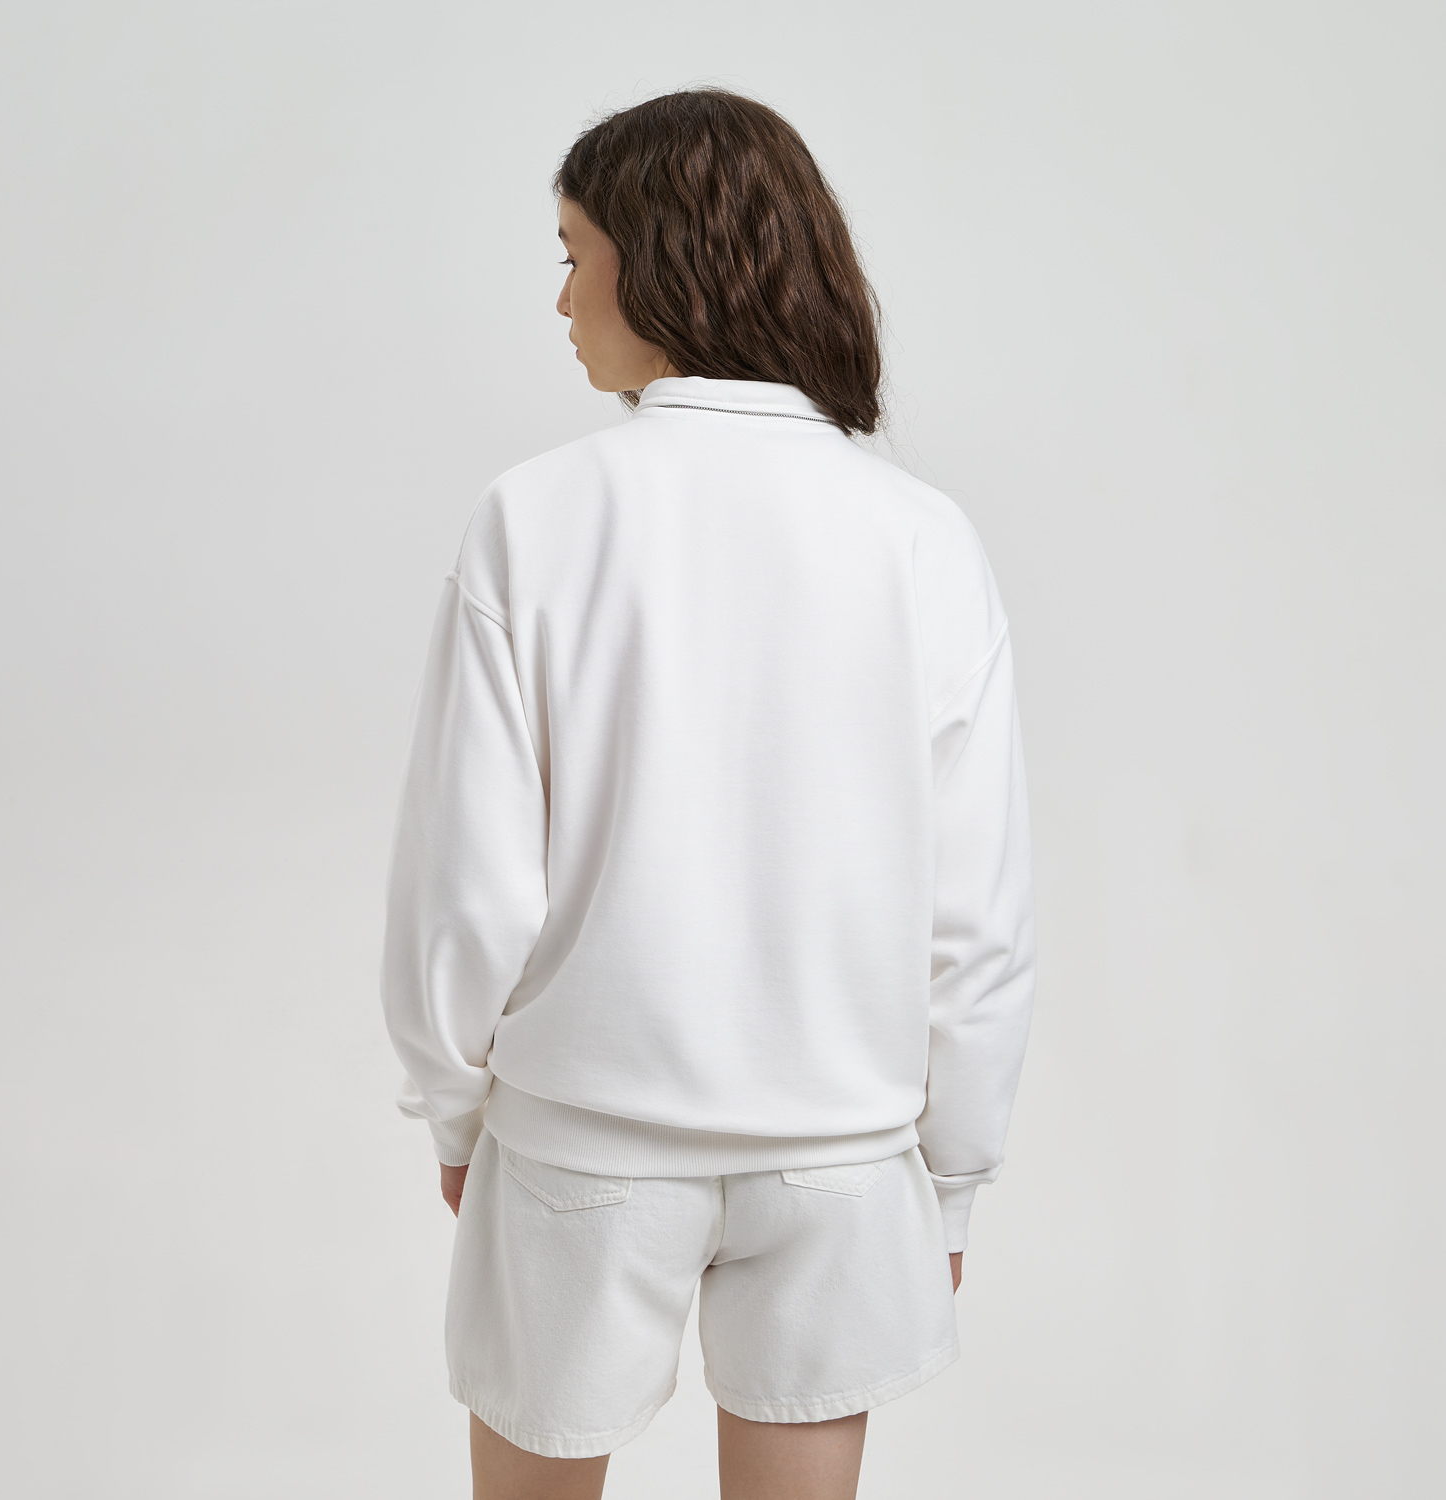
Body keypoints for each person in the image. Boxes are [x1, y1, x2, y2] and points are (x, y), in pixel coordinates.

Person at [380, 89, 1035, 1500]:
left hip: (580, 1138)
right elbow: (977, 915)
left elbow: (469, 883)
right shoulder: (922, 539)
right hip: (841, 1155)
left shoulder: (535, 518)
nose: (561, 300)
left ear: (662, 258)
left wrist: (451, 1105)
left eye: (574, 255)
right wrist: (955, 1175)